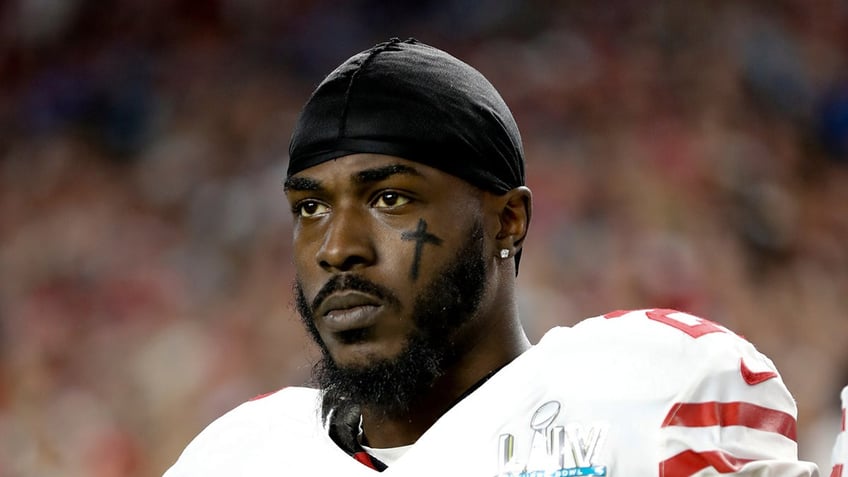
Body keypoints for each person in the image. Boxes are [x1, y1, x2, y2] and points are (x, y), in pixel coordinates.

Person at [163, 38, 818, 476]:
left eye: (390, 197)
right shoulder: (235, 457)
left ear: (508, 221)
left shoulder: (641, 398)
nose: (338, 247)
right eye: (311, 207)